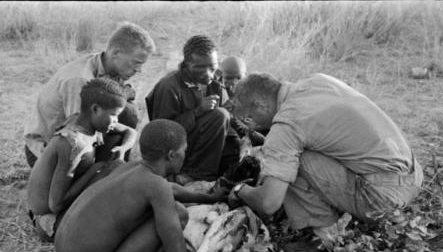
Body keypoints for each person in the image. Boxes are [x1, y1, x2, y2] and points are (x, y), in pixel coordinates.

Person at [227, 72, 423, 252]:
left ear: (261, 105)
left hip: (384, 198)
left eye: (248, 119)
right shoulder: (317, 81)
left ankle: (327, 235)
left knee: (291, 160)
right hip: (412, 176)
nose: (251, 126)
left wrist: (240, 189)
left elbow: (269, 203)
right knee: (290, 152)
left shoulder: (287, 125)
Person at [52, 119, 227, 252]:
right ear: (172, 155)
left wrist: (208, 197)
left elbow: (169, 188)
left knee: (158, 211)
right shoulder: (155, 186)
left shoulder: (129, 167)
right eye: (184, 150)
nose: (185, 154)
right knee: (178, 214)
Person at [23, 21, 155, 167]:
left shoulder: (108, 64)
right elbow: (77, 133)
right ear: (116, 53)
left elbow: (125, 93)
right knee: (116, 129)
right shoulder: (80, 80)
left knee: (128, 111)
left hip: (76, 133)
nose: (139, 70)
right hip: (47, 150)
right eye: (136, 63)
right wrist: (124, 132)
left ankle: (111, 170)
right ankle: (98, 177)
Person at [27, 77, 137, 242]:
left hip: (60, 207)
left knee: (115, 144)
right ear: (95, 109)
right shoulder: (72, 144)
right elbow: (55, 204)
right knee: (116, 224)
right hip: (48, 221)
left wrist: (122, 150)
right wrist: (97, 168)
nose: (116, 121)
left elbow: (130, 132)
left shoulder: (88, 123)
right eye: (114, 115)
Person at [145, 35, 241, 184]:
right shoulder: (169, 87)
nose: (208, 72)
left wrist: (250, 137)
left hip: (207, 145)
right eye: (199, 67)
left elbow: (228, 122)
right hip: (178, 151)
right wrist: (198, 112)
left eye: (212, 66)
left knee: (234, 147)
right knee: (219, 116)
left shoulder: (215, 81)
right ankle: (196, 176)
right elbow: (162, 136)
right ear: (187, 64)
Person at [218, 56, 267, 151]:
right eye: (228, 78)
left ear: (246, 76)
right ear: (221, 77)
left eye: (238, 77)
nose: (234, 82)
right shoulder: (216, 91)